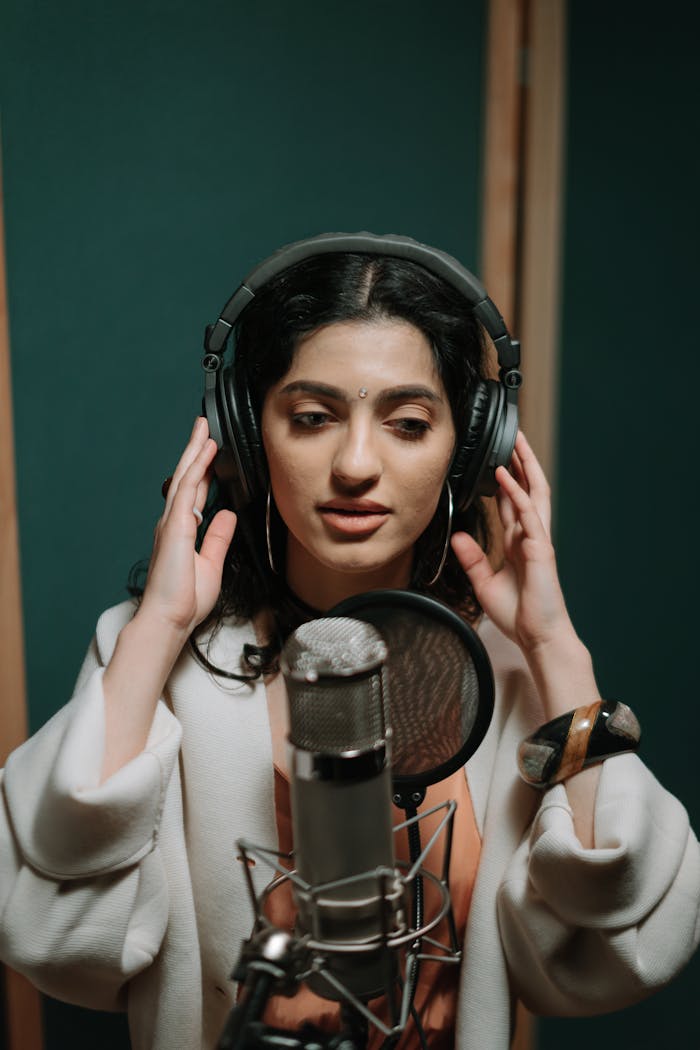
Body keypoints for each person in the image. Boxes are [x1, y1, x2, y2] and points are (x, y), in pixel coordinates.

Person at [1, 235, 698, 1050]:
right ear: (249, 438)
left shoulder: (507, 677)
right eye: (312, 417)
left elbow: (623, 951)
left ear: (467, 451)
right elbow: (51, 936)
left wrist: (554, 650)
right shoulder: (154, 659)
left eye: (407, 423)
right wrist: (157, 630)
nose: (357, 464)